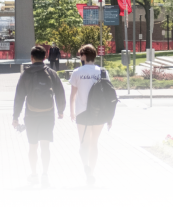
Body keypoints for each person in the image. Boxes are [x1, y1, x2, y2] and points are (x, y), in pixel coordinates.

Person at [13, 46, 66, 187]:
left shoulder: (26, 74)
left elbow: (19, 96)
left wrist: (15, 117)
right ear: (45, 57)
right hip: (48, 114)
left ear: (32, 58)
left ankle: (34, 174)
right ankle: (45, 175)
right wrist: (61, 110)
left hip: (31, 115)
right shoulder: (51, 73)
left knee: (32, 146)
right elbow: (60, 92)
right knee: (45, 146)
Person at [70, 44, 114, 185]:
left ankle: (86, 168)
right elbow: (108, 95)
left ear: (83, 56)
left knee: (84, 143)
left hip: (82, 113)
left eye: (80, 55)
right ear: (94, 56)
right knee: (94, 143)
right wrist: (109, 117)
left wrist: (71, 112)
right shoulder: (102, 72)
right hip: (99, 113)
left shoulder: (77, 72)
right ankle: (92, 172)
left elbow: (73, 95)